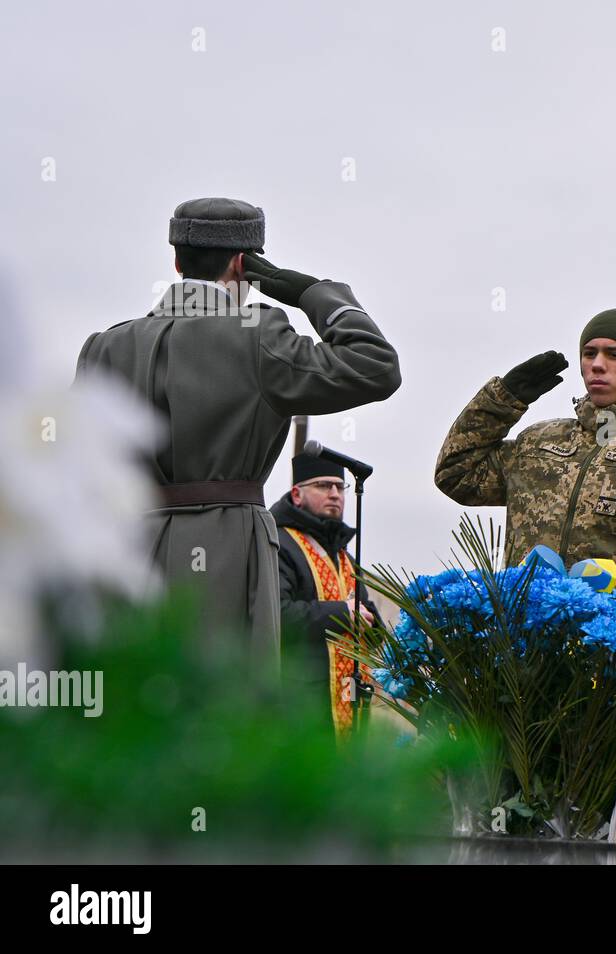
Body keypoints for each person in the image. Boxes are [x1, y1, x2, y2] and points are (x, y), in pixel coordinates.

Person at [75, 198, 400, 671]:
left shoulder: (103, 347)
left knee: (132, 710)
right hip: (228, 549)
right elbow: (376, 367)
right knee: (227, 708)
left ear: (176, 261)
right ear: (246, 265)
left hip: (123, 549)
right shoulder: (259, 337)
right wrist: (314, 293)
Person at [435, 309, 616, 598]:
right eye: (589, 353)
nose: (597, 365)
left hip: (615, 635)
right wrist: (503, 399)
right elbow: (456, 473)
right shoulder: (538, 442)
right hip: (528, 631)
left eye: (614, 354)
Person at [272, 453, 381, 733]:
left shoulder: (343, 556)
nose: (334, 494)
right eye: (322, 486)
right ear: (297, 494)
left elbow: (367, 615)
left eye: (339, 487)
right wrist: (343, 613)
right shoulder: (279, 545)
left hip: (349, 699)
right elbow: (276, 616)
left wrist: (373, 624)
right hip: (299, 704)